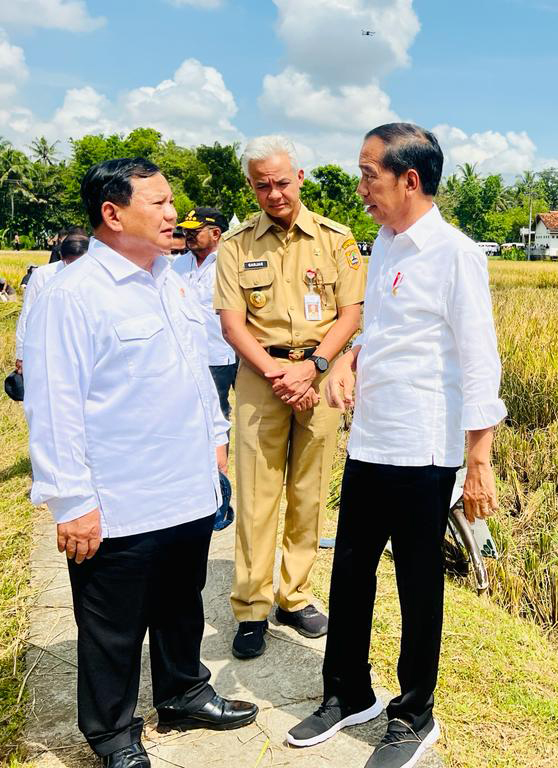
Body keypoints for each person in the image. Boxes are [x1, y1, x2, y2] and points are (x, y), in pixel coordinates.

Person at [23, 158, 258, 768]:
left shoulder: (168, 280)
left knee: (182, 601)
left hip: (186, 484)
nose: (173, 213)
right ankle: (112, 734)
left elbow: (196, 371)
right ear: (113, 213)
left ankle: (183, 693)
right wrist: (72, 502)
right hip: (119, 495)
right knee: (113, 625)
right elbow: (53, 405)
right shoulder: (72, 295)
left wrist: (215, 443)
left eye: (170, 201)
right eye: (157, 203)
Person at [287, 123, 506, 768]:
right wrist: (348, 358)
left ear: (410, 180)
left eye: (369, 175)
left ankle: (414, 715)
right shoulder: (382, 245)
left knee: (417, 582)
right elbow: (385, 330)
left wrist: (479, 460)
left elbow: (480, 361)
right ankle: (348, 692)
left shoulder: (455, 254)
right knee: (351, 570)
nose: (361, 189)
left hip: (424, 447)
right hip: (371, 439)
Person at [214, 135, 366, 660]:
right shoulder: (236, 245)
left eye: (282, 182)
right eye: (262, 186)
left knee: (308, 491)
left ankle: (294, 595)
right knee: (257, 496)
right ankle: (251, 607)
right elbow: (232, 325)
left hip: (318, 376)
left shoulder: (336, 239)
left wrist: (313, 367)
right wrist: (278, 372)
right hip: (262, 378)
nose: (274, 193)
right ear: (251, 187)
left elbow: (350, 313)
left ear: (300, 178)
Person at [174, 207, 237, 531]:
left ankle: (220, 484)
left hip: (224, 352)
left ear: (215, 233)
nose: (187, 235)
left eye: (194, 231)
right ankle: (205, 481)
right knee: (202, 417)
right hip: (190, 354)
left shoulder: (230, 262)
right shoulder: (176, 266)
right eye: (185, 230)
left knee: (221, 416)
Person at [15, 233, 89, 374]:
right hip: (48, 347)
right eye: (71, 264)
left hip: (83, 348)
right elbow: (27, 314)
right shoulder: (43, 275)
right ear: (62, 257)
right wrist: (21, 354)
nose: (75, 269)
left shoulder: (95, 276)